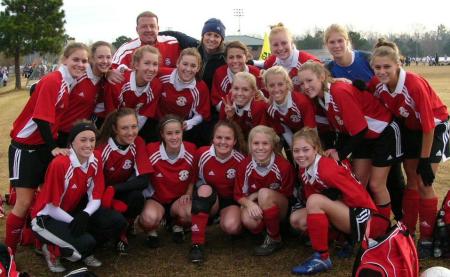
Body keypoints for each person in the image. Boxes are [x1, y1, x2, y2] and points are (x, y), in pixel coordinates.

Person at [298, 61, 403, 237]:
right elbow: (347, 129)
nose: (306, 86)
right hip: (364, 137)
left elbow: (360, 128)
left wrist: (340, 153)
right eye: (302, 83)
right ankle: (363, 227)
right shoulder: (323, 97)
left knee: (377, 184)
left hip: (384, 133)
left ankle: (384, 229)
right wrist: (335, 149)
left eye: (310, 81)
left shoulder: (338, 91)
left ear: (322, 77)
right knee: (357, 183)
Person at [6, 42, 89, 254]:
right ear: (64, 60)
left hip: (41, 146)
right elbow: (41, 119)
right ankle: (8, 253)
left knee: (43, 198)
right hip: (25, 148)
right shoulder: (54, 80)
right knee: (23, 202)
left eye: (84, 61)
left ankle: (32, 238)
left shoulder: (68, 82)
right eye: (76, 59)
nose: (80, 64)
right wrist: (53, 148)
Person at [369, 39, 449, 259]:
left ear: (398, 65)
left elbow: (429, 125)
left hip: (434, 126)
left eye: (387, 66)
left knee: (424, 181)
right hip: (411, 130)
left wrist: (425, 160)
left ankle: (426, 238)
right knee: (411, 180)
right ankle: (406, 230)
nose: (382, 71)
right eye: (377, 67)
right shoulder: (377, 85)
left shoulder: (412, 83)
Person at [323, 24, 406, 222]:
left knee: (392, 177)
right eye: (331, 42)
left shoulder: (366, 59)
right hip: (361, 130)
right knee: (366, 180)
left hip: (383, 123)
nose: (336, 45)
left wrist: (366, 89)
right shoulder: (329, 69)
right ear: (326, 45)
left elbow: (392, 77)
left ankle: (401, 219)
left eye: (340, 40)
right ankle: (374, 221)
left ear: (347, 41)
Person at [30, 121, 127, 273]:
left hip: (71, 211)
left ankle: (84, 249)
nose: (89, 144)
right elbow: (50, 206)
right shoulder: (60, 164)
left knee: (117, 221)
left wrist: (85, 214)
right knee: (85, 242)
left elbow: (95, 196)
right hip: (46, 217)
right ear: (72, 142)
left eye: (92, 140)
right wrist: (74, 221)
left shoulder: (96, 158)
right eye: (83, 140)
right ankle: (50, 249)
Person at [289, 127, 376, 275]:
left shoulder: (327, 169)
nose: (300, 155)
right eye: (296, 151)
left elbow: (361, 197)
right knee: (296, 219)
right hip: (343, 212)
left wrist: (367, 232)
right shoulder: (303, 169)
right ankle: (338, 239)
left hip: (360, 215)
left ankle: (322, 257)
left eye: (305, 150)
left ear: (316, 149)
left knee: (314, 201)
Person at [96, 108, 153, 253]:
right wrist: (107, 194)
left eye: (134, 127)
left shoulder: (138, 142)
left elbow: (144, 180)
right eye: (124, 128)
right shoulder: (103, 147)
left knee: (136, 197)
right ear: (115, 129)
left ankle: (125, 229)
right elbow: (93, 182)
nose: (131, 132)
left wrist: (114, 189)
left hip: (116, 189)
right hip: (99, 193)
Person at [189, 120, 246, 263]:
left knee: (231, 227)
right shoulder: (202, 154)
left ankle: (231, 221)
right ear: (213, 139)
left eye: (228, 138)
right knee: (204, 188)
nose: (223, 142)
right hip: (210, 199)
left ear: (234, 141)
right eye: (219, 137)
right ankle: (197, 244)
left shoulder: (241, 159)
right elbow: (193, 179)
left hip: (230, 201)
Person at [234, 125, 294, 256]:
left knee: (264, 194)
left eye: (265, 143)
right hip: (257, 204)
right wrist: (249, 204)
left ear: (272, 145)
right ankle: (266, 230)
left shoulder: (283, 166)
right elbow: (238, 194)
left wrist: (259, 195)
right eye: (256, 143)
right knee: (248, 219)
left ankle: (275, 238)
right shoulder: (244, 165)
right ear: (250, 145)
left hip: (280, 209)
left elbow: (288, 193)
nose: (260, 148)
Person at [139, 115, 197, 247]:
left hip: (178, 199)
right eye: (169, 133)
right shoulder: (151, 150)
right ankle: (151, 232)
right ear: (162, 134)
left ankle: (177, 226)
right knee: (149, 219)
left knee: (189, 214)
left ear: (182, 131)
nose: (174, 137)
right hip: (157, 198)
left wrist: (188, 193)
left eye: (177, 132)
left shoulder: (191, 149)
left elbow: (193, 176)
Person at [57, 41, 112, 146]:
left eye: (108, 57)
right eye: (100, 57)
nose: (105, 61)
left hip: (80, 135)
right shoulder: (78, 75)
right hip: (60, 133)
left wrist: (110, 72)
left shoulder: (104, 81)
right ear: (91, 58)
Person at [104, 45, 162, 142]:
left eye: (155, 64)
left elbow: (143, 116)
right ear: (136, 65)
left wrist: (130, 135)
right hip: (109, 124)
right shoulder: (118, 82)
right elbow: (111, 116)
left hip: (132, 127)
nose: (151, 69)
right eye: (147, 63)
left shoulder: (156, 86)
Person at [109, 11, 181, 84]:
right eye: (144, 26)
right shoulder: (126, 49)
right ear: (137, 29)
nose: (149, 30)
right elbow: (110, 69)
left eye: (152, 26)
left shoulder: (173, 43)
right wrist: (108, 73)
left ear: (158, 28)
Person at [157, 48, 211, 146]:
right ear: (178, 63)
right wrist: (122, 69)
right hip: (159, 124)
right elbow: (144, 71)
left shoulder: (200, 87)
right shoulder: (162, 75)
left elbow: (202, 113)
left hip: (182, 129)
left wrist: (191, 122)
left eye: (193, 66)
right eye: (185, 64)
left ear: (198, 68)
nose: (188, 69)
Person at [254, 23, 320, 92]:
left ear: (291, 43)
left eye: (284, 43)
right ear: (271, 47)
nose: (280, 48)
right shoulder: (272, 61)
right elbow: (263, 64)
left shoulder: (308, 61)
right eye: (275, 45)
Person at [264, 66, 316, 150]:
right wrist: (294, 149)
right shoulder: (269, 108)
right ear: (266, 87)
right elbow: (284, 130)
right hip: (293, 134)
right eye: (271, 85)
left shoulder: (301, 102)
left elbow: (311, 129)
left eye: (280, 84)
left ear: (287, 84)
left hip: (313, 131)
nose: (276, 89)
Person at [211, 41, 266, 112]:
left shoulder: (256, 73)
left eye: (239, 57)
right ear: (225, 59)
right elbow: (216, 102)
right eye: (231, 57)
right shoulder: (220, 73)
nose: (235, 61)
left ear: (246, 58)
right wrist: (232, 107)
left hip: (251, 115)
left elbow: (264, 99)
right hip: (230, 115)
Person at [219, 72, 268, 139]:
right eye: (236, 88)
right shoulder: (227, 102)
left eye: (245, 90)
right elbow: (222, 133)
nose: (240, 93)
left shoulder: (258, 106)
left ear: (253, 92)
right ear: (231, 89)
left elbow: (261, 137)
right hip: (236, 139)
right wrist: (229, 118)